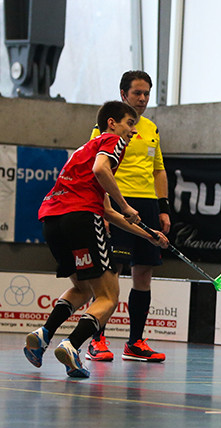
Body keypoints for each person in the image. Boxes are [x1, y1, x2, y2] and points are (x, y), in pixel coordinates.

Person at [23, 101, 169, 379]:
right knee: (108, 297)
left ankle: (43, 335)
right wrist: (126, 204)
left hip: (53, 222)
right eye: (129, 123)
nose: (133, 131)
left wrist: (149, 235)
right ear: (112, 123)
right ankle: (72, 345)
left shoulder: (82, 151)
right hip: (81, 220)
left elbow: (107, 211)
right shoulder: (111, 141)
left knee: (82, 288)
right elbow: (101, 170)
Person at [87, 70, 171, 363]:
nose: (143, 98)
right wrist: (103, 208)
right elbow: (96, 169)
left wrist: (163, 208)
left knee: (143, 273)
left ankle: (135, 343)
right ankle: (96, 339)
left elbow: (158, 170)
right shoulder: (106, 127)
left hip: (147, 205)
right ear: (123, 94)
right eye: (137, 93)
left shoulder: (151, 128)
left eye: (147, 93)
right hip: (117, 204)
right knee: (110, 274)